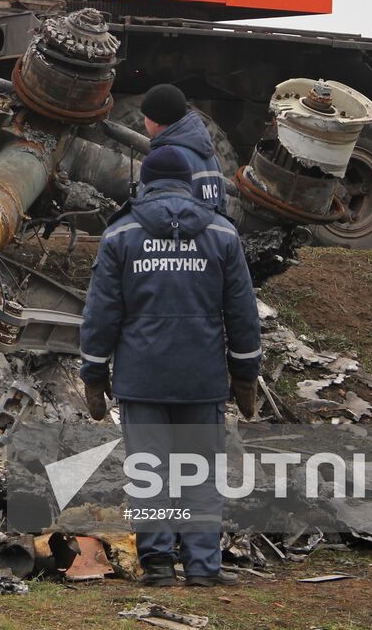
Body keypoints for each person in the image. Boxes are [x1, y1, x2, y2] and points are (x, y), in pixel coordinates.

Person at [80, 146, 261, 588]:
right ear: (189, 183)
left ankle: (159, 564)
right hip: (201, 379)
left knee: (150, 473)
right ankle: (202, 567)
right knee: (199, 473)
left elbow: (101, 313)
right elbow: (242, 313)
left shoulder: (121, 234)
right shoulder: (221, 233)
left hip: (141, 380)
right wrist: (244, 374)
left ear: (145, 183)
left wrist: (94, 375)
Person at [140, 84, 226, 215]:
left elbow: (156, 214)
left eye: (145, 116)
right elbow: (222, 206)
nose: (144, 120)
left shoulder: (167, 159)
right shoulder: (212, 158)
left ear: (156, 120)